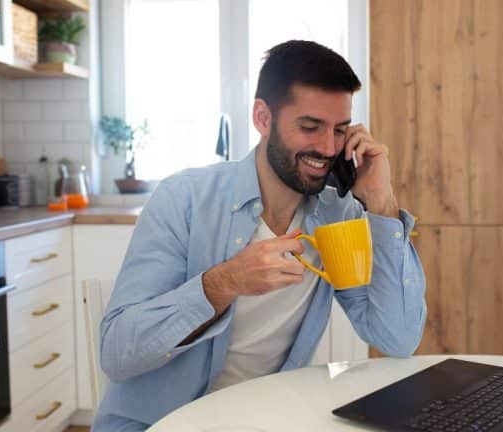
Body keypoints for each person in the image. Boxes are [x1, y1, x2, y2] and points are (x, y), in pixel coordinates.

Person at [92, 40, 427, 431]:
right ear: (262, 118)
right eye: (310, 126)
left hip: (266, 420)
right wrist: (225, 283)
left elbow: (397, 338)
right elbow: (118, 353)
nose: (328, 147)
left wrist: (382, 204)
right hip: (158, 424)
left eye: (340, 130)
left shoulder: (338, 216)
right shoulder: (183, 199)